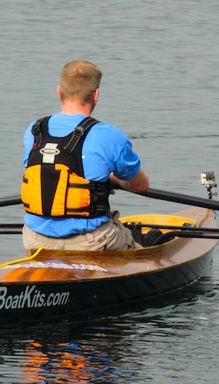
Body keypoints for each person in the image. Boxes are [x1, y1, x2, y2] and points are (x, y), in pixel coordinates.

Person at [21, 60, 149, 251]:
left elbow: (47, 174)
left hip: (36, 240)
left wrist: (96, 182)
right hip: (91, 243)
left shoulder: (34, 130)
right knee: (142, 250)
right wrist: (113, 181)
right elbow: (140, 185)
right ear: (96, 95)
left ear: (59, 91)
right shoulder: (109, 135)